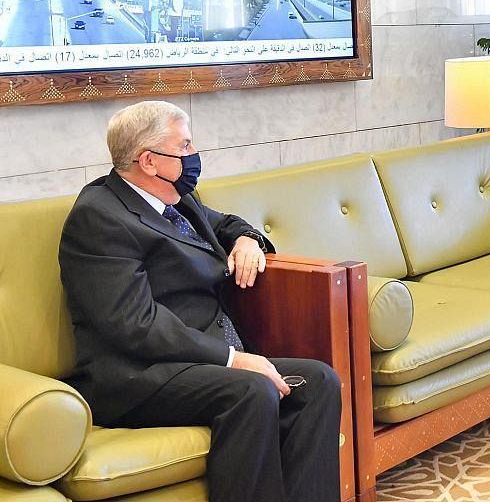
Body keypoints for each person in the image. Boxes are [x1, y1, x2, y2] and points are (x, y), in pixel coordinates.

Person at [59, 101, 342, 502]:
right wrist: (231, 358)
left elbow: (226, 224)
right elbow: (134, 324)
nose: (194, 155)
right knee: (252, 389)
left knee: (319, 382)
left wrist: (247, 240)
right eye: (185, 146)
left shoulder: (176, 197)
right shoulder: (99, 217)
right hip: (139, 374)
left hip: (202, 358)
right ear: (149, 161)